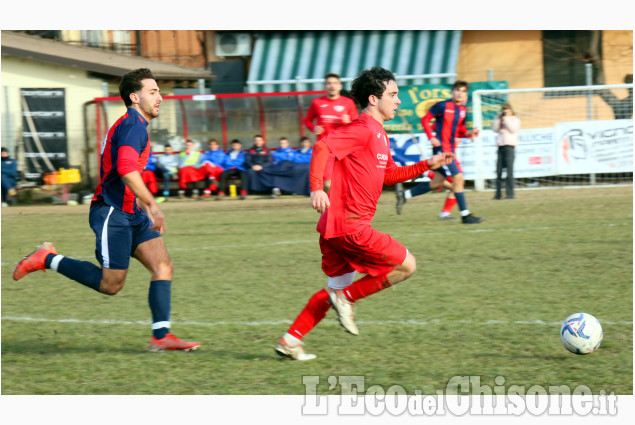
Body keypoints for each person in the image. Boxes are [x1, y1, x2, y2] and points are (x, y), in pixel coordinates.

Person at [12, 68, 199, 352]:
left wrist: (140, 205)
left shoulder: (133, 124)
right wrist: (151, 203)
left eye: (159, 91)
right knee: (111, 285)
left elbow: (122, 172)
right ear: (135, 98)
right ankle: (47, 258)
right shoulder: (133, 126)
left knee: (162, 266)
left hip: (129, 211)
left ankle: (161, 337)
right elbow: (124, 169)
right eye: (153, 92)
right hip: (113, 213)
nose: (160, 97)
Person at [275, 66, 454, 360]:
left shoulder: (379, 133)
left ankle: (291, 340)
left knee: (333, 289)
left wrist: (427, 164)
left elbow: (389, 176)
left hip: (334, 229)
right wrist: (317, 187)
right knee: (407, 265)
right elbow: (322, 146)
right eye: (393, 95)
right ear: (373, 99)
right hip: (350, 226)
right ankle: (346, 298)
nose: (398, 101)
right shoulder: (362, 128)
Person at [395, 80, 483, 224]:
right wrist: (432, 138)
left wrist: (469, 133)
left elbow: (459, 130)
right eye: (457, 90)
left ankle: (405, 195)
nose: (460, 93)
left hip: (450, 149)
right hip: (442, 149)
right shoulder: (442, 105)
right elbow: (425, 120)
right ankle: (465, 215)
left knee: (437, 183)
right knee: (458, 178)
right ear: (452, 92)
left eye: (463, 91)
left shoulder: (463, 110)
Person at [304, 73, 359, 192]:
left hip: (344, 148)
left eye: (334, 83)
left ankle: (340, 209)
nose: (332, 86)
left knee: (347, 184)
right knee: (328, 185)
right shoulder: (317, 102)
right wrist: (313, 128)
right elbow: (307, 120)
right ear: (325, 86)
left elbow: (357, 125)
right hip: (325, 148)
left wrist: (348, 122)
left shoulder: (348, 103)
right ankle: (330, 209)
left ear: (340, 86)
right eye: (329, 83)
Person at [492, 103, 520, 200]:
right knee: (498, 171)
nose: (505, 112)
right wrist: (499, 119)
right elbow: (495, 129)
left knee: (509, 172)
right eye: (503, 110)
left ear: (511, 111)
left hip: (510, 147)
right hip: (500, 147)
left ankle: (510, 194)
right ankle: (498, 194)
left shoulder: (514, 119)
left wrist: (506, 119)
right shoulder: (500, 119)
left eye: (507, 110)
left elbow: (513, 129)